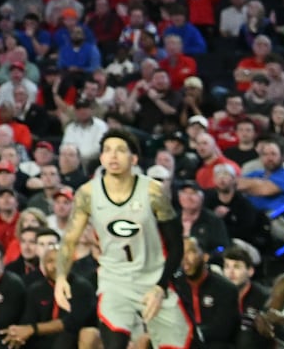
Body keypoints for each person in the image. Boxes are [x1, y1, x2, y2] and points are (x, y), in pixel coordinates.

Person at [56, 128, 188, 349]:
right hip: (114, 279)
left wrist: (161, 286)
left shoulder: (153, 192)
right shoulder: (87, 193)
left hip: (153, 277)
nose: (113, 156)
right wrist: (61, 276)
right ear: (101, 158)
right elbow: (69, 240)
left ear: (134, 158)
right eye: (107, 150)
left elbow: (176, 245)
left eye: (120, 150)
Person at [6, 247, 94, 349]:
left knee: (70, 337)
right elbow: (28, 321)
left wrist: (32, 329)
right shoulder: (35, 289)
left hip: (71, 339)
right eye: (50, 261)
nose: (56, 266)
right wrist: (17, 333)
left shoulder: (83, 287)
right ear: (43, 266)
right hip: (40, 340)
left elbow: (72, 322)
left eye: (60, 261)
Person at [173, 236, 239, 349]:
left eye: (191, 252)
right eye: (182, 252)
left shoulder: (226, 288)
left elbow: (222, 329)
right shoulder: (175, 285)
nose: (185, 258)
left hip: (214, 344)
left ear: (205, 257)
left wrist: (193, 334)